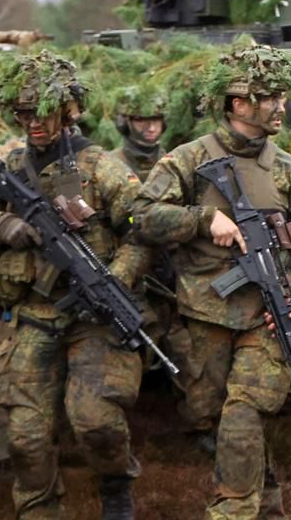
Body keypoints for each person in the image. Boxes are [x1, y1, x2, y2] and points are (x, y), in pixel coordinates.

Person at [0, 50, 150, 519]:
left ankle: (117, 488)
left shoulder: (102, 168)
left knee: (97, 422)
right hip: (34, 318)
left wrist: (115, 278)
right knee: (26, 437)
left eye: (41, 113)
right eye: (23, 114)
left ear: (67, 111)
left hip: (94, 319)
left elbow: (143, 231)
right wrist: (2, 227)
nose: (32, 123)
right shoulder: (8, 170)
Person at [132, 45, 291, 518]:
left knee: (244, 411)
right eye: (268, 97)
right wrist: (202, 219)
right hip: (206, 312)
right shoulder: (188, 159)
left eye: (282, 96)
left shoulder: (288, 170)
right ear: (236, 104)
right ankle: (269, 501)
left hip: (265, 317)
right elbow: (141, 216)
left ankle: (231, 510)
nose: (281, 106)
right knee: (212, 415)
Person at [109, 84, 193, 410]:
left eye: (156, 119)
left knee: (188, 355)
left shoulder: (177, 163)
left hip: (173, 275)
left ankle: (199, 424)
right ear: (125, 123)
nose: (151, 127)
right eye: (142, 120)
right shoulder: (110, 165)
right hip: (128, 276)